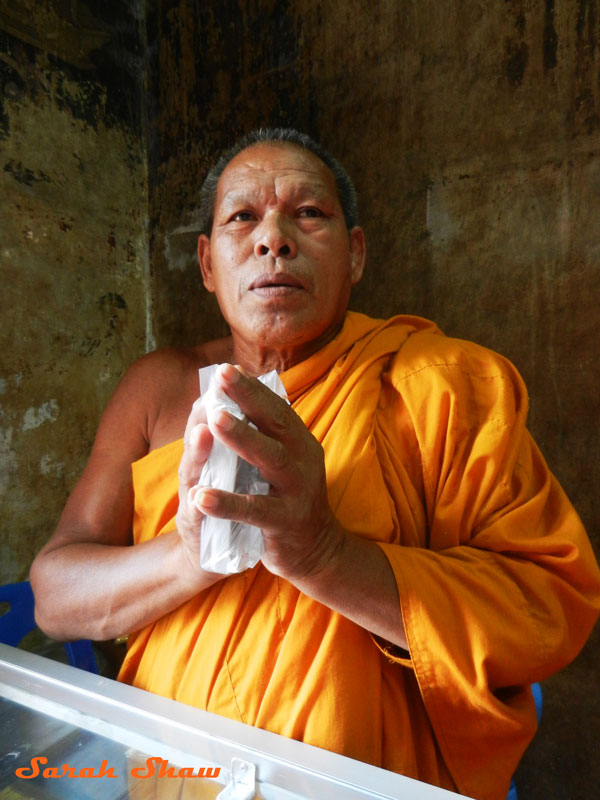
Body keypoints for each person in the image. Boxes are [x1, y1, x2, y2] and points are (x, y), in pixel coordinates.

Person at [30, 128, 600, 800]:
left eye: (308, 213)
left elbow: (547, 612)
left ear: (355, 254)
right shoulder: (159, 390)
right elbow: (55, 596)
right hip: (170, 776)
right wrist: (192, 556)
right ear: (209, 263)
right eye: (243, 217)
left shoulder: (443, 385)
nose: (274, 238)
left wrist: (325, 554)